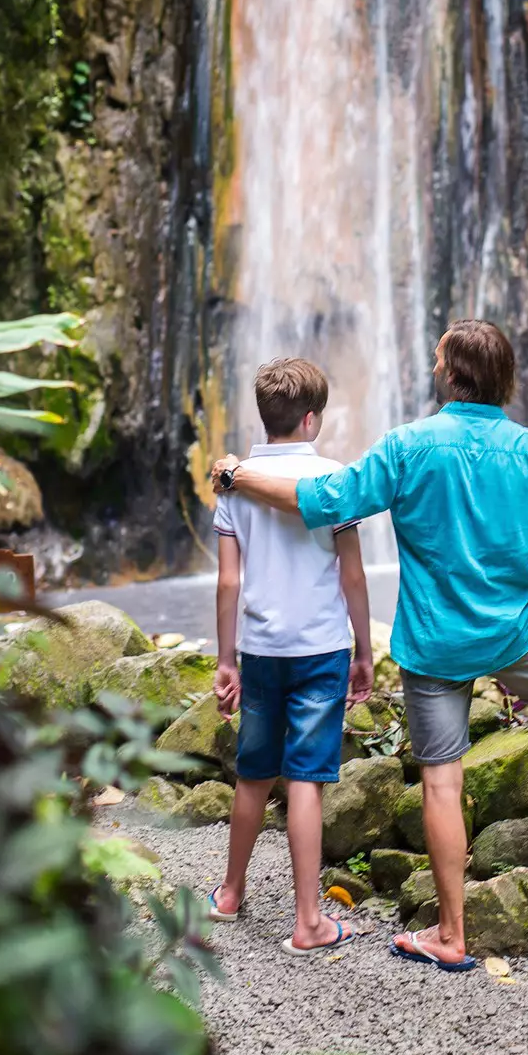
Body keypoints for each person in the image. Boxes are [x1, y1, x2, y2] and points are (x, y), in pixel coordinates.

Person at [209, 319, 528, 974]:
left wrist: (236, 474)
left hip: (429, 643)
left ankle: (452, 934)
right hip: (510, 631)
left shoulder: (407, 446)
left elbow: (323, 498)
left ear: (450, 374)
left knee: (441, 782)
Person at [204, 357, 375, 957]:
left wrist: (226, 658)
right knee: (306, 777)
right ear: (310, 420)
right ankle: (308, 921)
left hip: (260, 647)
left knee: (253, 771)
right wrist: (365, 648)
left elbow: (229, 583)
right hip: (321, 646)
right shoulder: (334, 479)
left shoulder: (234, 481)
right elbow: (352, 575)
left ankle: (229, 892)